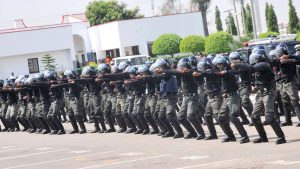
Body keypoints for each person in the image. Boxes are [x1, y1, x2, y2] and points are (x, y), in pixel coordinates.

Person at [233, 50, 286, 144]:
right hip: (261, 93)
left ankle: (281, 137)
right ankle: (263, 137)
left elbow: (251, 68)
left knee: (269, 116)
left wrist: (237, 65)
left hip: (269, 92)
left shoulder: (264, 64)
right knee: (254, 116)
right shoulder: (258, 66)